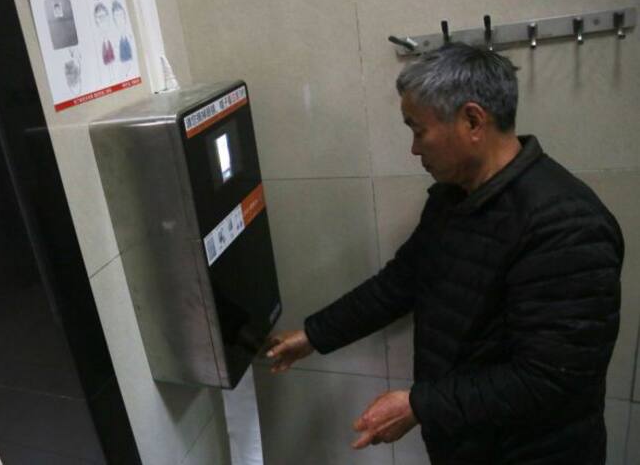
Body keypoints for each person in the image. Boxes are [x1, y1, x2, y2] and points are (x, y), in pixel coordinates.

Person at [265, 42, 624, 464]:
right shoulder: (454, 198)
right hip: (468, 444)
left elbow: (550, 380)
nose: (414, 149)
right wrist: (312, 336)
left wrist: (419, 406)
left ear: (473, 120)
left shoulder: (566, 225)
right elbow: (400, 283)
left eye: (418, 131)